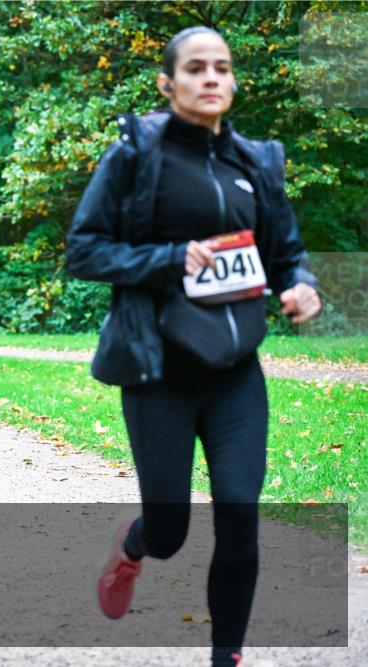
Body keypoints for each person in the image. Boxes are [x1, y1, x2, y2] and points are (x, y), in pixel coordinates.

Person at [65, 27, 321, 667]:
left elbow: (286, 253)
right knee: (171, 531)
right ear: (168, 83)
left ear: (233, 81)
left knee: (240, 510)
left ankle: (225, 656)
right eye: (196, 68)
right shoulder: (135, 154)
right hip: (158, 368)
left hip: (235, 370)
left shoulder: (257, 161)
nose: (211, 78)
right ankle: (131, 546)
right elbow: (85, 251)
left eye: (222, 68)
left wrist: (302, 287)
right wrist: (172, 258)